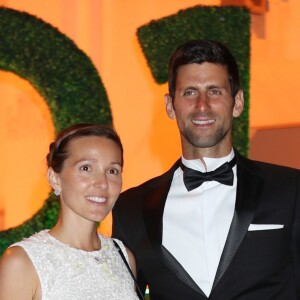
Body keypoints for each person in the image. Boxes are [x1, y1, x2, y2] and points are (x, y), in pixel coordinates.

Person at [112, 39, 300, 300]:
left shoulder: (290, 189)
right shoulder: (130, 208)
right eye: (190, 92)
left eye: (214, 91)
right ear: (170, 105)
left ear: (237, 102)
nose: (202, 105)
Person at [0, 123, 141, 300]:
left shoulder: (123, 256)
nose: (102, 183)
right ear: (55, 179)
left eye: (112, 171)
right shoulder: (22, 262)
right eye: (86, 168)